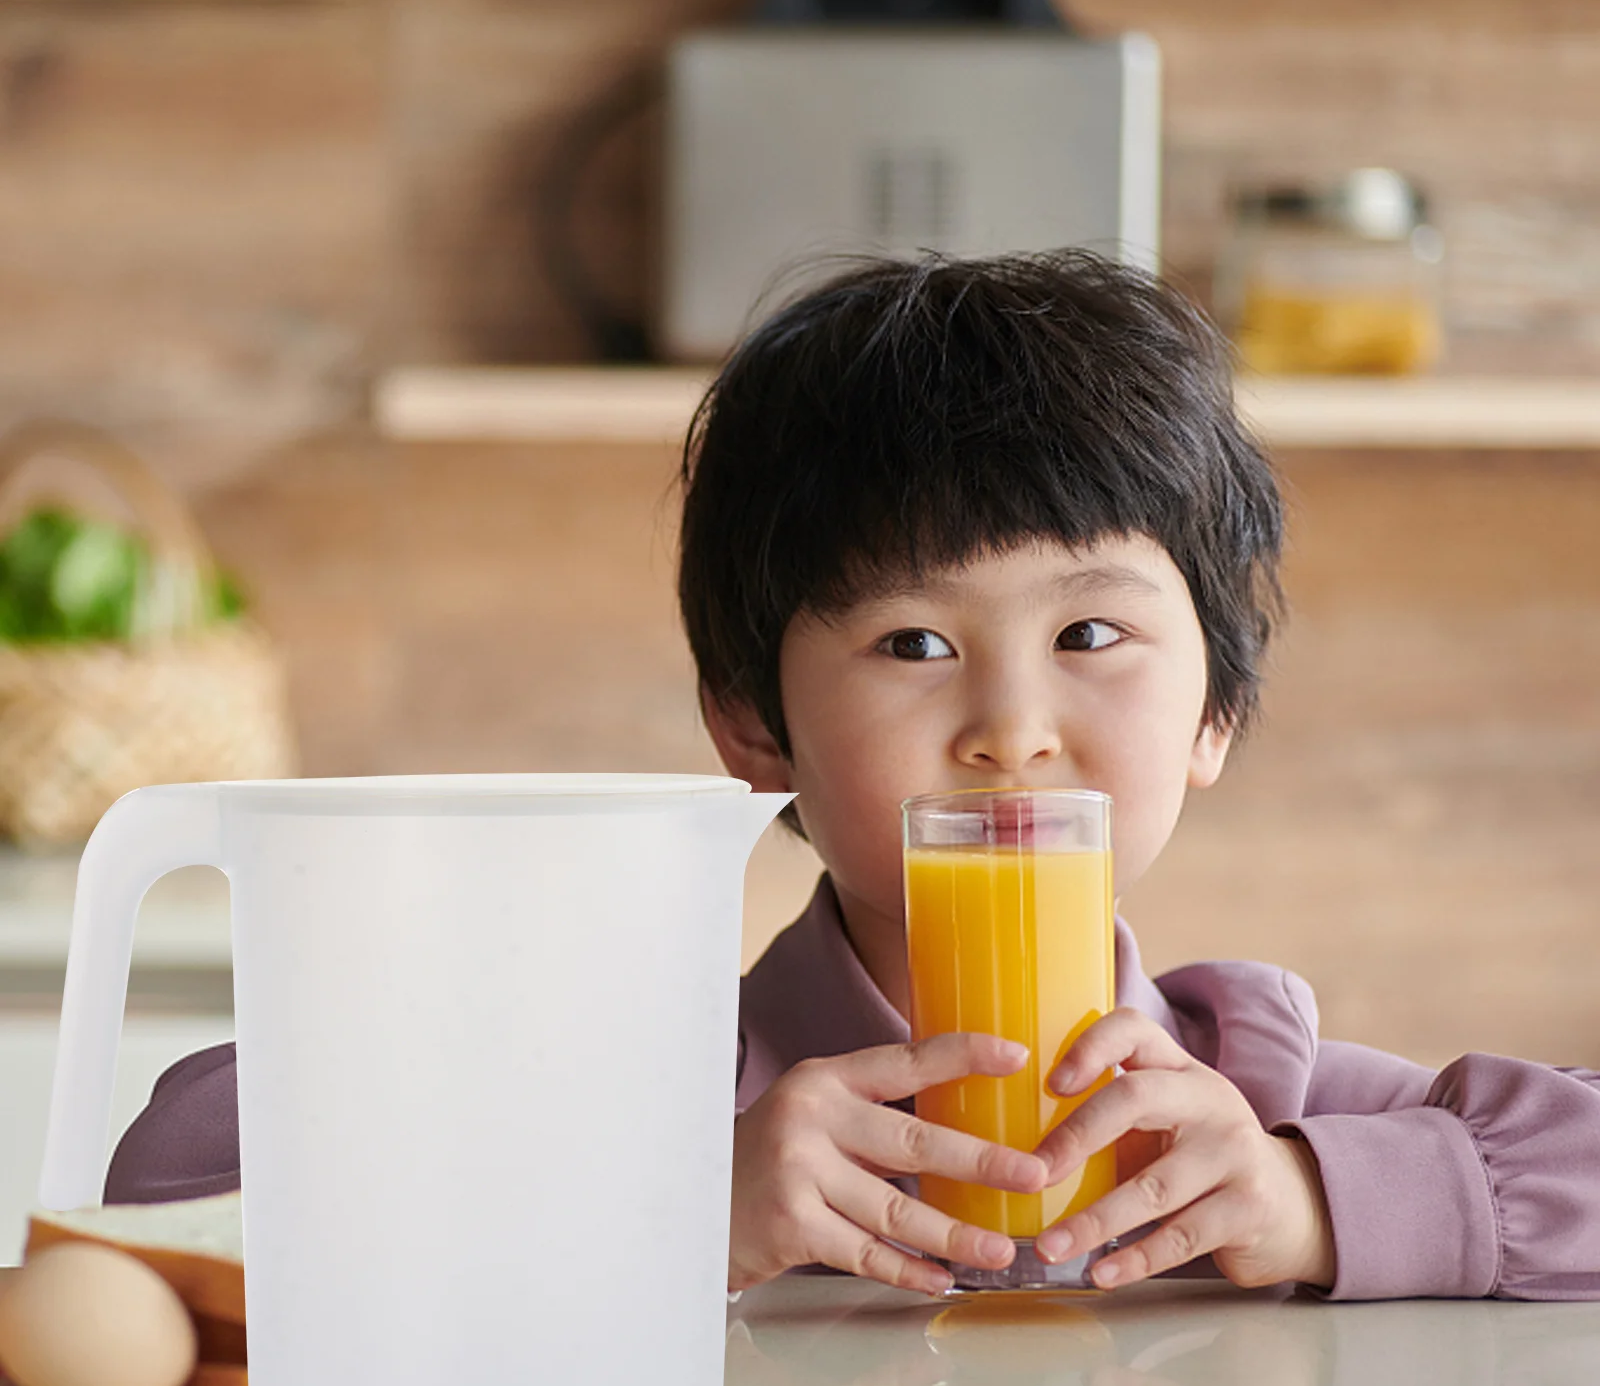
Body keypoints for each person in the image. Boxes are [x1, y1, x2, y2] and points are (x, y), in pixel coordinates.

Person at [107, 252, 1600, 1304]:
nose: (1011, 726)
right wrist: (668, 1208)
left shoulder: (1250, 1093)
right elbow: (170, 1172)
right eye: (910, 640)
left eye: (1091, 631)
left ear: (1216, 711)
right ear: (756, 728)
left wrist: (1323, 1201)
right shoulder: (676, 1094)